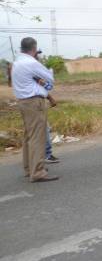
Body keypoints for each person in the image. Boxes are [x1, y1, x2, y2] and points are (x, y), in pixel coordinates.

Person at [11, 37, 59, 182]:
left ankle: (29, 168)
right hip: (34, 102)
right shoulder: (31, 63)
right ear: (34, 48)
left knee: (29, 136)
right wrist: (46, 66)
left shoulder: (17, 62)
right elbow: (50, 78)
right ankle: (37, 172)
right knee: (38, 137)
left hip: (23, 102)